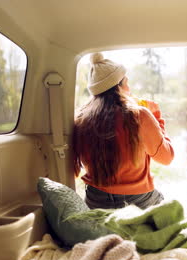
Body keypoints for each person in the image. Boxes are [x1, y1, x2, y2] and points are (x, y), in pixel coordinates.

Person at [73, 52, 174, 210]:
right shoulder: (139, 115)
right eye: (126, 83)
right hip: (137, 202)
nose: (129, 88)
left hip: (94, 201)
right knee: (164, 202)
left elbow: (74, 169)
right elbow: (167, 158)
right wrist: (156, 118)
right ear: (118, 87)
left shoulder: (80, 119)